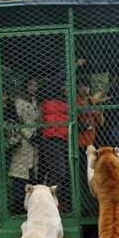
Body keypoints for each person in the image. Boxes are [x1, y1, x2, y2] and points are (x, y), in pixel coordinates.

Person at [8, 77, 40, 215]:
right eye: (32, 84)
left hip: (34, 144)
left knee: (31, 173)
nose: (34, 88)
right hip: (23, 142)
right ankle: (16, 207)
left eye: (36, 85)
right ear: (26, 86)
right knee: (18, 174)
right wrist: (28, 134)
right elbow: (16, 122)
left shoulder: (35, 102)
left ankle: (29, 206)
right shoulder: (19, 102)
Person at [39, 82, 71, 212]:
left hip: (62, 139)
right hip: (53, 139)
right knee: (59, 172)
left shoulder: (63, 103)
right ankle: (48, 200)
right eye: (64, 87)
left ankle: (56, 201)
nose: (66, 90)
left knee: (63, 172)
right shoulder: (50, 102)